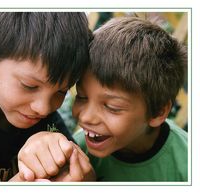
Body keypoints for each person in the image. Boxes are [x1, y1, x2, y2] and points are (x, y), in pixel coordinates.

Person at [17, 16, 187, 182]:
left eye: (112, 107)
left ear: (158, 111)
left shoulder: (188, 163)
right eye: (82, 97)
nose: (85, 117)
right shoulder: (77, 153)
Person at [0, 12, 92, 182]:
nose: (43, 109)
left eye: (61, 91)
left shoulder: (43, 117)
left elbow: (87, 176)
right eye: (30, 86)